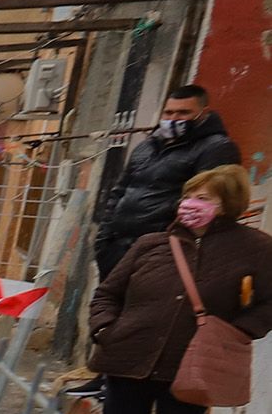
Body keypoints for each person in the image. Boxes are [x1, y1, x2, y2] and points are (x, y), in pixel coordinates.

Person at [79, 165, 272, 414]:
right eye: (189, 196)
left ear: (228, 204)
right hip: (128, 356)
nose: (190, 205)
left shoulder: (257, 248)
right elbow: (108, 293)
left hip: (193, 365)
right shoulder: (151, 243)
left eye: (203, 198)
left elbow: (268, 303)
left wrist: (238, 332)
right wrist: (105, 329)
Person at [93, 85, 240, 282]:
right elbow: (119, 191)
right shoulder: (147, 146)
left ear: (203, 114)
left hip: (162, 252)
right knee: (106, 306)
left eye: (184, 113)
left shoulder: (216, 149)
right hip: (116, 250)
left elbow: (206, 204)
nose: (173, 119)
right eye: (169, 112)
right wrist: (103, 240)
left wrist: (168, 242)